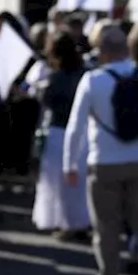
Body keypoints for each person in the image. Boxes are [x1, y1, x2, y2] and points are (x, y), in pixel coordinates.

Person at [64, 26, 138, 275]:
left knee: (106, 229)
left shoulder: (93, 80)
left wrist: (70, 164)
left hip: (104, 164)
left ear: (102, 50)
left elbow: (75, 127)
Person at [31, 30, 91, 239]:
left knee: (59, 183)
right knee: (80, 183)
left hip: (59, 131)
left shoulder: (55, 78)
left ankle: (67, 224)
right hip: (83, 133)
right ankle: (82, 221)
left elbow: (48, 102)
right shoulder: (85, 74)